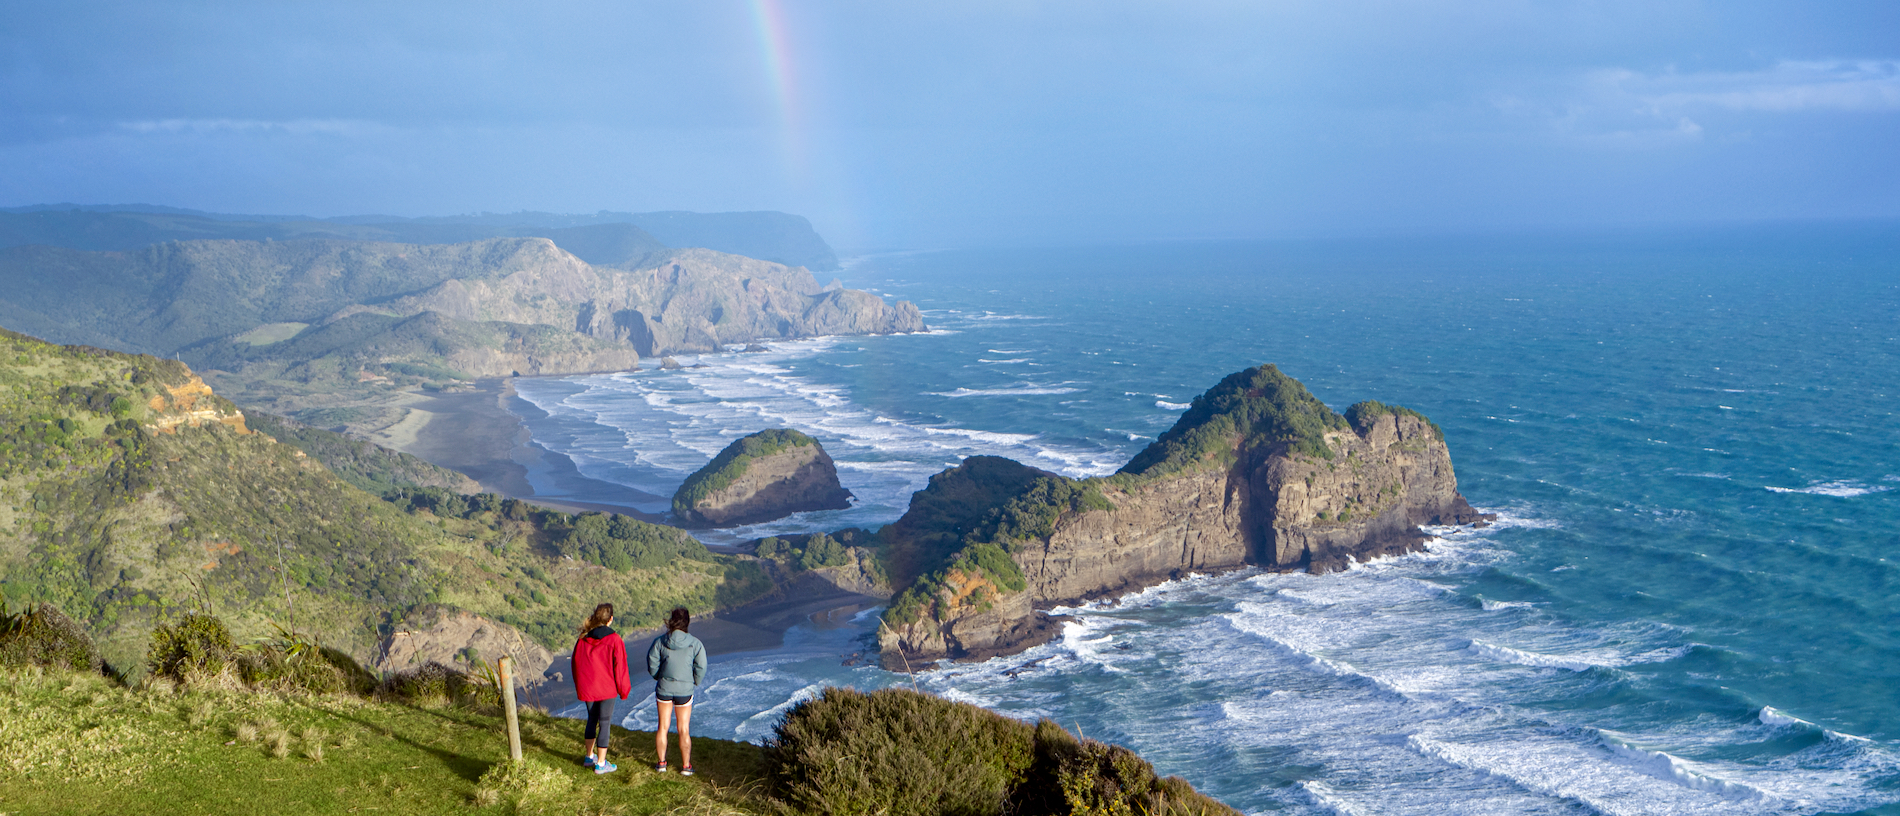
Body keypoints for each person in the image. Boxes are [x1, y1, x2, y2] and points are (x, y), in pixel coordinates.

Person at [646, 606, 707, 775]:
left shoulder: (660, 642)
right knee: (684, 729)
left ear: (671, 621)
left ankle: (661, 764)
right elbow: (701, 667)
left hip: (664, 688)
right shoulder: (695, 643)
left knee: (663, 727)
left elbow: (652, 664)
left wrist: (659, 676)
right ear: (687, 621)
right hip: (685, 690)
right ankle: (686, 766)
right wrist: (694, 681)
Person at [572, 603, 630, 775]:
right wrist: (623, 690)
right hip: (606, 687)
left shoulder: (583, 637)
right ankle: (601, 763)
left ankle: (589, 757)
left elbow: (576, 664)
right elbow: (620, 668)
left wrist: (580, 686)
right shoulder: (614, 640)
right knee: (604, 722)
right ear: (610, 619)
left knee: (592, 718)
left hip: (588, 686)